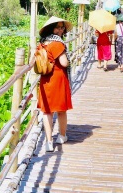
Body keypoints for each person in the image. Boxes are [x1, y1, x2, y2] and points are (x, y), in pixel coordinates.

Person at [37, 16, 74, 152]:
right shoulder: (58, 43)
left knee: (47, 111)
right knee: (61, 110)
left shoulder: (41, 43)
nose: (60, 29)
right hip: (57, 79)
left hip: (45, 80)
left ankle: (48, 141)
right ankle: (62, 136)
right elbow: (64, 63)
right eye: (57, 27)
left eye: (62, 27)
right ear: (51, 29)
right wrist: (69, 61)